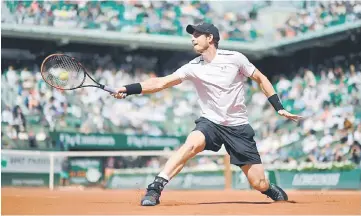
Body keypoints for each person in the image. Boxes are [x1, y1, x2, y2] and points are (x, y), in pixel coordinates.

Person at [112, 23, 302, 206]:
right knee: (191, 144)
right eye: (192, 36)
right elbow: (161, 83)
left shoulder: (235, 58)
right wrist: (129, 89)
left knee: (258, 183)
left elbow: (261, 78)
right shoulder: (193, 66)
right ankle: (155, 188)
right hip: (210, 122)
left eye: (197, 35)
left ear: (210, 38)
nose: (192, 39)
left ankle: (268, 188)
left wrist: (278, 107)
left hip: (238, 127)